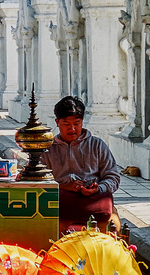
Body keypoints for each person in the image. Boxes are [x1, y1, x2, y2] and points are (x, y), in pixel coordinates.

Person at [45, 95, 122, 233]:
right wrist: (63, 186)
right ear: (57, 122)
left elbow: (113, 178)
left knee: (114, 227)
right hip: (60, 206)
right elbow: (39, 183)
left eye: (77, 123)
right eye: (66, 124)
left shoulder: (97, 145)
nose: (72, 129)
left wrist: (98, 188)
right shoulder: (47, 149)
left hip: (95, 204)